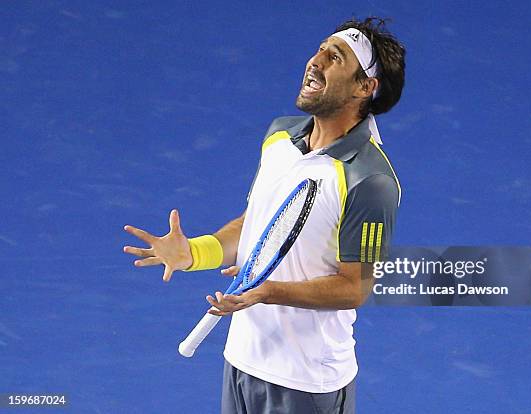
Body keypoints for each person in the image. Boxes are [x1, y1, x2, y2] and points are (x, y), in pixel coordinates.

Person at [124, 17, 405, 414]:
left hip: (307, 382)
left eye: (335, 57)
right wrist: (192, 254)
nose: (315, 61)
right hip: (241, 360)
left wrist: (270, 292)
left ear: (365, 87)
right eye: (320, 48)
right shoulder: (279, 136)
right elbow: (258, 225)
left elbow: (354, 288)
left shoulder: (370, 180)